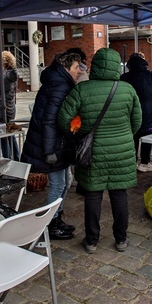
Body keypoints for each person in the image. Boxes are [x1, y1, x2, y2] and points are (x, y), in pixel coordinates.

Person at [57, 48, 141, 254]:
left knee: (93, 195)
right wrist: (123, 136)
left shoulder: (82, 89)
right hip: (122, 150)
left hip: (92, 151)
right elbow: (137, 121)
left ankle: (92, 241)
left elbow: (63, 119)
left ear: (94, 65)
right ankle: (121, 239)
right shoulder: (128, 89)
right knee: (119, 194)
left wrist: (81, 134)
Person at [20, 52, 82, 240]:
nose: (79, 71)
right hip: (52, 145)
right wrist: (49, 151)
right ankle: (50, 224)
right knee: (58, 184)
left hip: (57, 143)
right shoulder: (59, 86)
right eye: (76, 67)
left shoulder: (58, 82)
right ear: (66, 68)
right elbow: (48, 121)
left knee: (65, 181)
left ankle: (56, 218)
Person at [120, 52, 152, 172]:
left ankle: (133, 161)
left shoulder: (124, 77)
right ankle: (145, 162)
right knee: (148, 137)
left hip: (132, 111)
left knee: (133, 137)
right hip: (151, 112)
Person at [0, 50, 19, 159]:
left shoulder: (6, 76)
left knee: (4, 136)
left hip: (4, 109)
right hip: (9, 108)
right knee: (10, 135)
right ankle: (16, 157)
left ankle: (8, 158)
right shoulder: (10, 74)